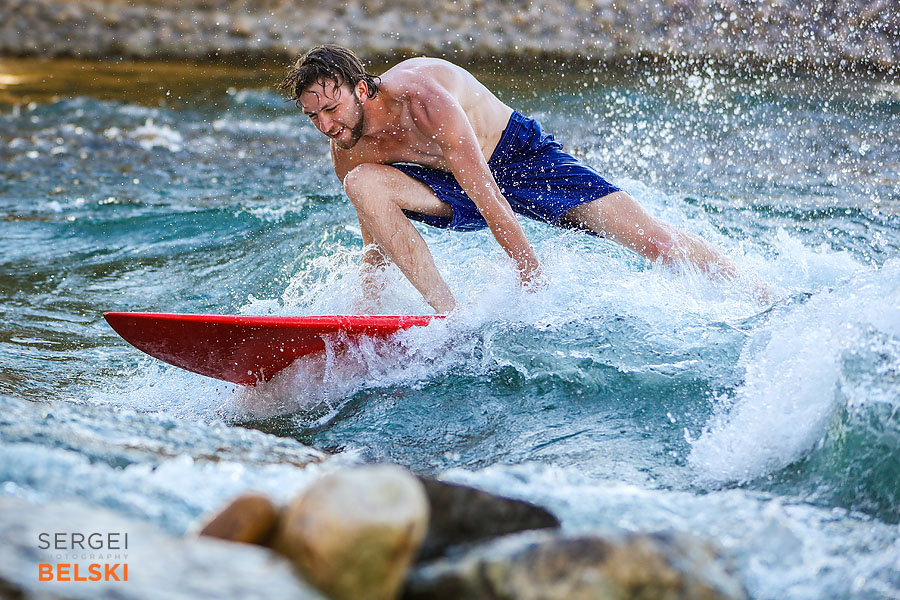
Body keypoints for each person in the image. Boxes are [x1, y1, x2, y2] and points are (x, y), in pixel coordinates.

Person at [280, 44, 747, 314]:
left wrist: (530, 275)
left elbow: (487, 191)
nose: (325, 124)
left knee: (652, 240)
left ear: (361, 88)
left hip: (518, 156)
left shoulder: (422, 99)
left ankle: (754, 292)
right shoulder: (346, 145)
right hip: (444, 183)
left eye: (331, 108)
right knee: (362, 183)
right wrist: (367, 306)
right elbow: (373, 230)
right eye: (313, 115)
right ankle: (448, 317)